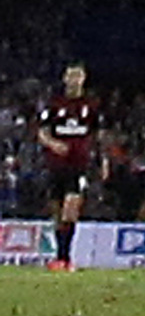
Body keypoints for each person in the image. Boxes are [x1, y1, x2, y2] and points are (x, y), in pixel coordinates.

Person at [37, 65, 96, 268]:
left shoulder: (91, 104)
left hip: (78, 165)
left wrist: (102, 160)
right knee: (56, 212)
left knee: (70, 209)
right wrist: (54, 144)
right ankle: (59, 256)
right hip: (55, 166)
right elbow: (42, 133)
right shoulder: (54, 104)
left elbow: (98, 134)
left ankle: (65, 258)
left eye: (78, 76)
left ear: (84, 79)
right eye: (71, 75)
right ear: (64, 78)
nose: (74, 80)